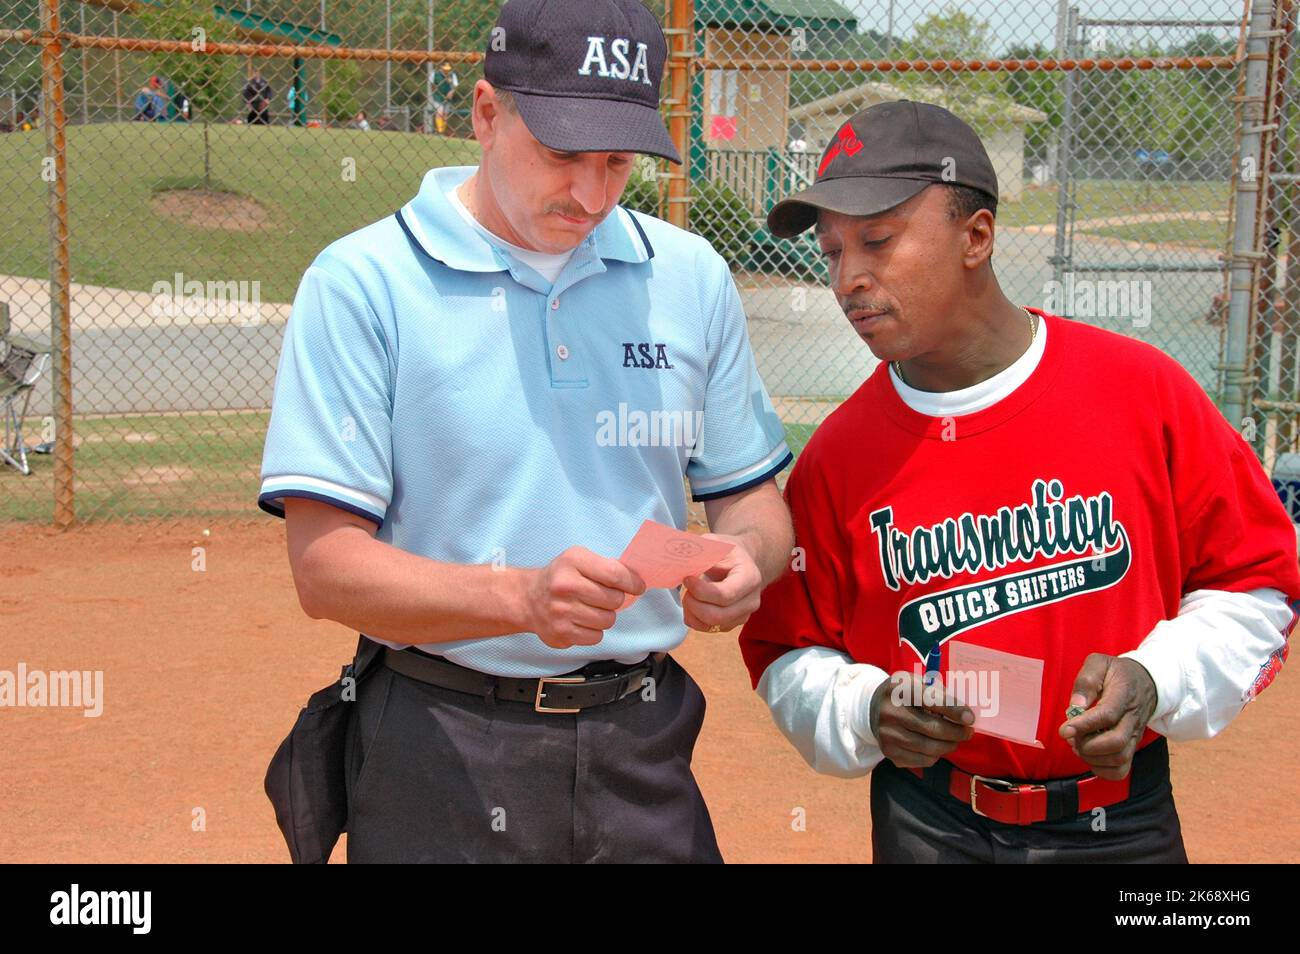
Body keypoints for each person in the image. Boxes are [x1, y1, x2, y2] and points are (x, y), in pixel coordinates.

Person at [259, 0, 793, 863]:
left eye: (618, 160)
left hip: (642, 737)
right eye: (561, 153)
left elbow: (753, 503)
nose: (591, 194)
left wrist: (749, 562)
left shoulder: (688, 276)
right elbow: (325, 571)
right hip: (442, 741)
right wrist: (520, 598)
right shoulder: (365, 282)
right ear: (484, 112)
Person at [738, 99, 1300, 864]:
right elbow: (787, 652)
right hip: (930, 818)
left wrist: (1157, 677)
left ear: (976, 236)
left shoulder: (1141, 393)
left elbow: (1257, 583)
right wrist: (865, 708)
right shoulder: (841, 453)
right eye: (831, 253)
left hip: (1119, 821)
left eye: (876, 240)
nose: (848, 279)